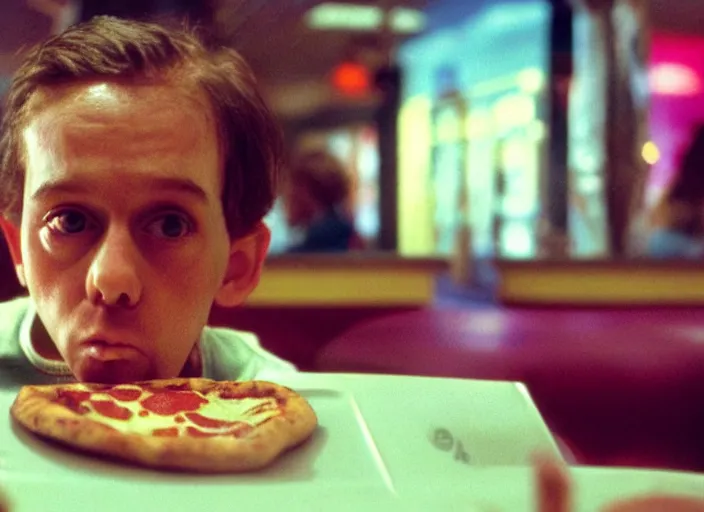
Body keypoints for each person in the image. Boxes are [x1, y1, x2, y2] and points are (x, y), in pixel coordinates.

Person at [0, 16, 295, 387]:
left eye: (171, 225)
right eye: (69, 220)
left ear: (237, 266)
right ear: (19, 251)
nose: (111, 280)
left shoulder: (266, 401)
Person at [281, 150, 361, 253]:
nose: (286, 196)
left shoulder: (303, 255)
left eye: (292, 187)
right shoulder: (348, 238)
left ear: (306, 192)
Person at [646, 125, 704, 259]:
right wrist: (683, 214)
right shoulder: (684, 183)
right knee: (659, 242)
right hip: (686, 248)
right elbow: (658, 217)